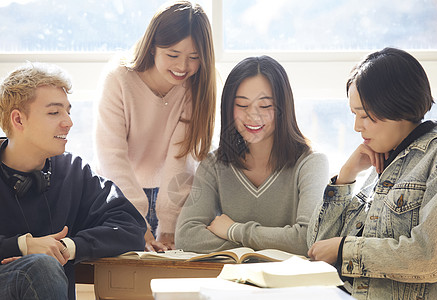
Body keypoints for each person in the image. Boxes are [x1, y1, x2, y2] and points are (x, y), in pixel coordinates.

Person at [307, 47, 437, 299]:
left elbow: (429, 257)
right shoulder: (378, 167)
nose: (356, 126)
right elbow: (317, 246)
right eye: (354, 114)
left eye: (364, 115)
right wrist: (345, 176)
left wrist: (344, 249)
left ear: (396, 106)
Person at [0, 62, 146, 300]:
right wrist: (24, 246)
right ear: (18, 120)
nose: (68, 122)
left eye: (68, 111)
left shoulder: (73, 171)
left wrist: (66, 248)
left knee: (44, 266)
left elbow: (131, 227)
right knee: (40, 268)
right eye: (54, 112)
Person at [175, 56, 328, 255]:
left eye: (265, 106)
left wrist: (233, 230)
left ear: (284, 108)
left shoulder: (311, 163)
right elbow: (186, 236)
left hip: (289, 284)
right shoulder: (214, 164)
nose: (253, 115)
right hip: (230, 282)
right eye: (242, 105)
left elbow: (306, 239)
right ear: (229, 108)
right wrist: (273, 244)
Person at [94, 0, 216, 251]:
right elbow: (112, 156)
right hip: (120, 192)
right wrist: (138, 221)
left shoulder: (193, 87)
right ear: (152, 48)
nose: (183, 67)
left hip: (173, 193)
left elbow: (179, 158)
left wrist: (169, 224)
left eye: (194, 57)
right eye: (172, 55)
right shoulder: (118, 79)